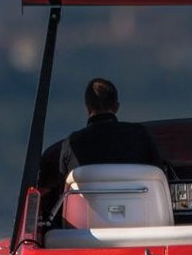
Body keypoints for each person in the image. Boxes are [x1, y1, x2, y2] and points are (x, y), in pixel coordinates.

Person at [37, 77, 166, 216]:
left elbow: (54, 188)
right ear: (116, 107)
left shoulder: (72, 143)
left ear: (88, 108)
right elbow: (159, 174)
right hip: (141, 219)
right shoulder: (141, 136)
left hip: (82, 230)